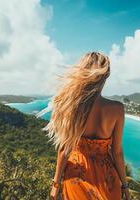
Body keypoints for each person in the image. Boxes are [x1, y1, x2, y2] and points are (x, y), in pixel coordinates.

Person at [42, 52, 130, 200]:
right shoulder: (117, 109)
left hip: (77, 175)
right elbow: (117, 153)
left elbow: (64, 150)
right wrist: (125, 185)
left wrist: (55, 185)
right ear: (106, 76)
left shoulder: (71, 107)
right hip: (107, 179)